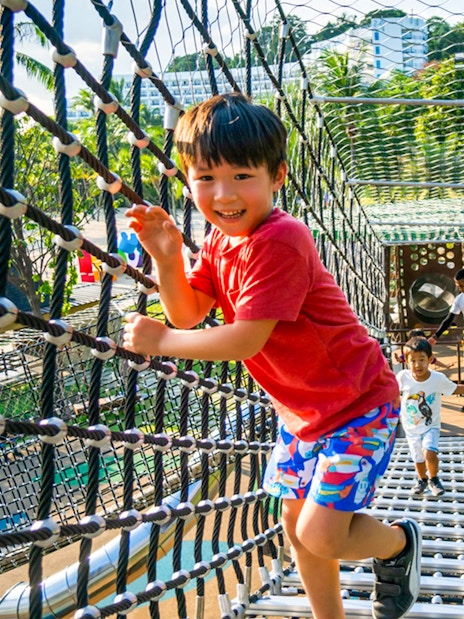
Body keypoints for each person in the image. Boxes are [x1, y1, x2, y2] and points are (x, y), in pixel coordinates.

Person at [122, 92, 421, 619]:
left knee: (321, 534)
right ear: (188, 180)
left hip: (357, 405)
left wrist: (162, 343)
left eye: (242, 176)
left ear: (277, 175)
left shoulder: (280, 239)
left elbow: (242, 340)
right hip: (301, 414)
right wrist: (167, 260)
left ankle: (398, 544)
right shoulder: (218, 241)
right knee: (295, 527)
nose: (224, 193)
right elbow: (189, 314)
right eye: (206, 178)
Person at [396, 336, 464, 497]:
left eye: (422, 359)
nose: (418, 364)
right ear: (406, 361)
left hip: (430, 425)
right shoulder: (403, 377)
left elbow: (454, 389)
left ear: (430, 359)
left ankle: (434, 478)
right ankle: (422, 479)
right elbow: (390, 390)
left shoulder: (437, 379)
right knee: (418, 458)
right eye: (413, 360)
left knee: (429, 453)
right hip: (410, 427)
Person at [428, 268, 464, 346]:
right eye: (458, 286)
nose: (460, 289)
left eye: (462, 286)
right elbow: (448, 320)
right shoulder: (459, 299)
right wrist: (435, 336)